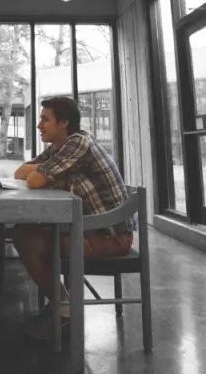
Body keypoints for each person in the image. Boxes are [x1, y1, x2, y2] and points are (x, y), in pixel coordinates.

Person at [12, 96, 133, 341]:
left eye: (45, 119)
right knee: (24, 232)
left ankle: (64, 309)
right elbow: (20, 172)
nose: (39, 125)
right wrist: (39, 173)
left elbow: (33, 179)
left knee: (26, 238)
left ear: (64, 123)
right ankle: (61, 304)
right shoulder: (58, 147)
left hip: (109, 234)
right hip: (90, 228)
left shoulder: (79, 142)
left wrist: (39, 174)